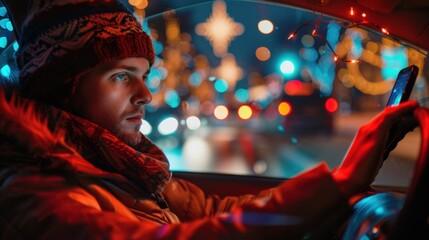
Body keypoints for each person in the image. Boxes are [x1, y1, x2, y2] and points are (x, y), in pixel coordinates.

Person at [0, 0, 422, 239]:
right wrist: (343, 182)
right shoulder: (31, 194)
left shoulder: (121, 165)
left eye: (143, 76)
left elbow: (214, 210)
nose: (145, 95)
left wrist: (336, 185)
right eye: (121, 76)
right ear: (63, 87)